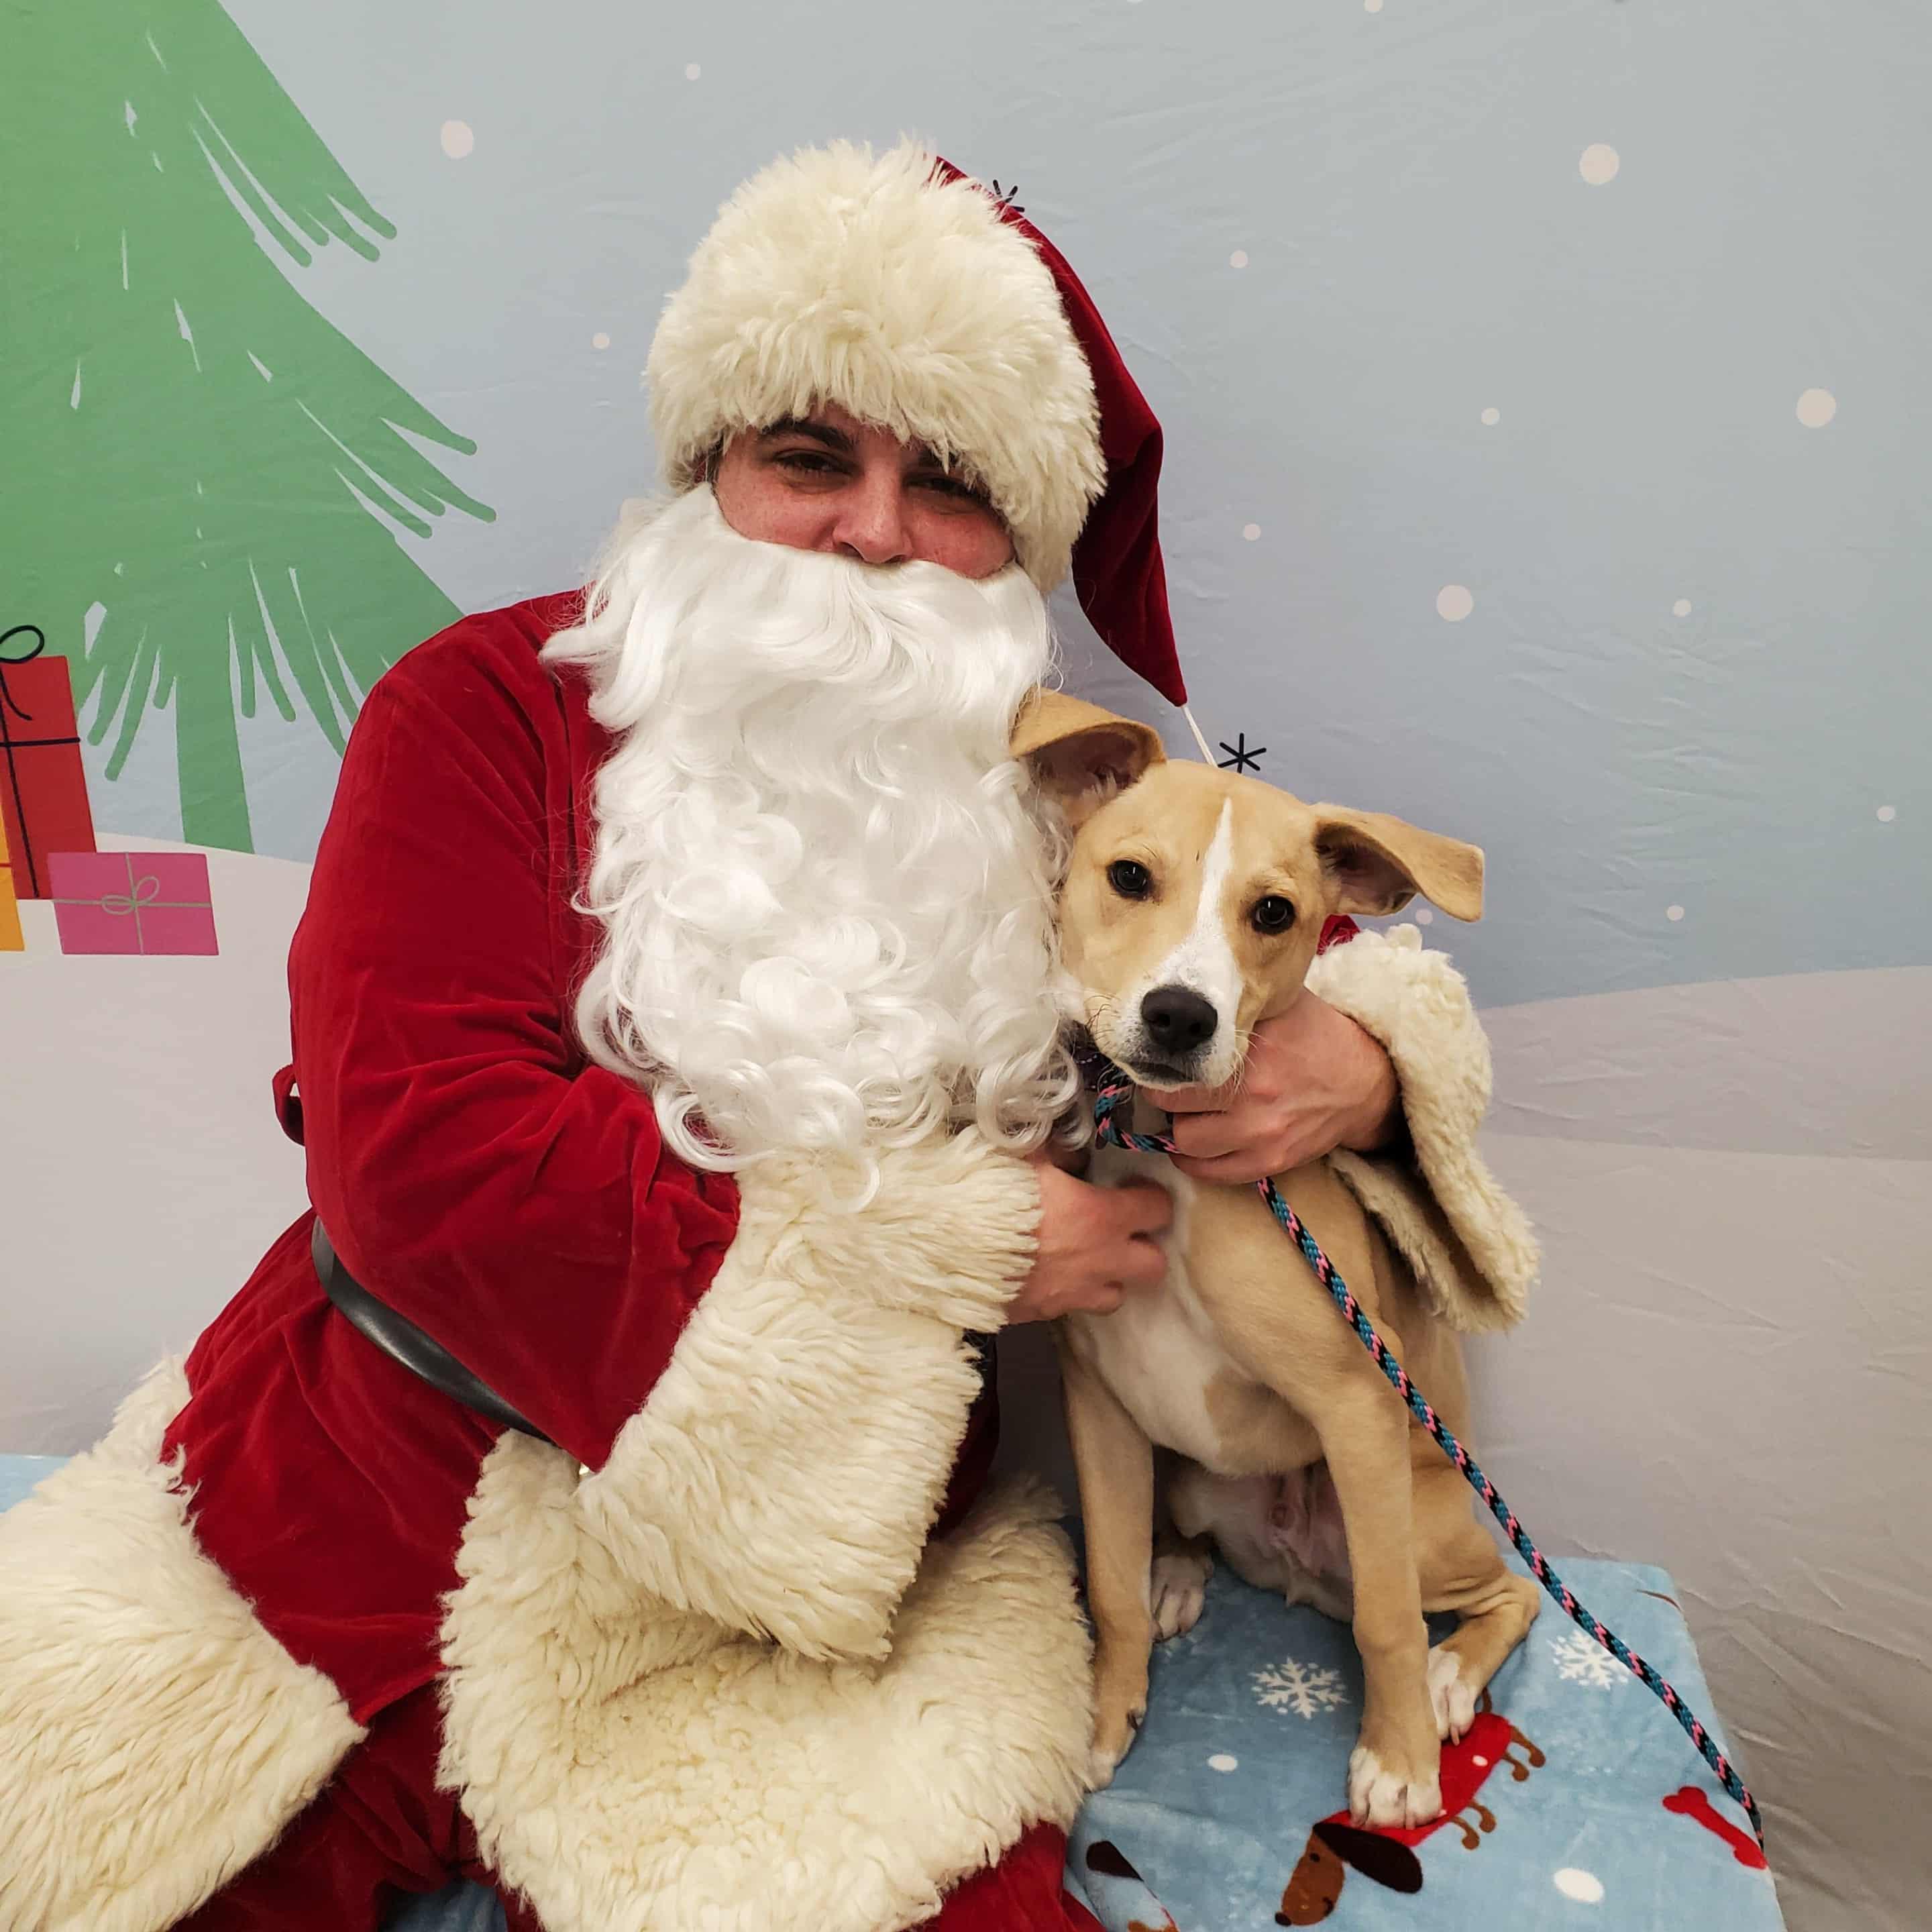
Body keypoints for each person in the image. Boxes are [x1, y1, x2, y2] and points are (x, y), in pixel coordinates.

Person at [0, 142, 1534, 1932]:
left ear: (1017, 547)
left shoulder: (1053, 781)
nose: (873, 532)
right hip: (385, 1488)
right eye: (810, 459)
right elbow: (424, 1164)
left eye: (949, 485)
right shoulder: (483, 711)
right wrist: (952, 1243)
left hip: (823, 1590)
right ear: (710, 471)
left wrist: (1365, 1063)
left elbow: (1257, 930)